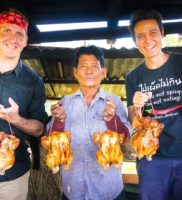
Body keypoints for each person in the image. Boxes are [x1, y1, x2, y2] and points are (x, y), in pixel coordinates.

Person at [50, 45, 132, 200]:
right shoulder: (64, 103)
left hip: (109, 190)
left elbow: (125, 137)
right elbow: (51, 140)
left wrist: (111, 119)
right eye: (83, 66)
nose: (89, 71)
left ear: (103, 72)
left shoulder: (114, 101)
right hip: (73, 189)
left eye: (94, 66)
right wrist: (60, 121)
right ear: (75, 72)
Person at [126, 8, 182, 200]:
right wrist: (136, 107)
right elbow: (133, 120)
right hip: (152, 159)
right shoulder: (133, 77)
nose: (148, 40)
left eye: (153, 33)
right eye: (140, 36)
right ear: (135, 43)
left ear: (162, 33)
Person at [0, 8, 48, 200]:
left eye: (19, 33)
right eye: (6, 30)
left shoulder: (33, 81)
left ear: (25, 41)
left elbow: (39, 129)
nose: (13, 37)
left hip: (13, 177)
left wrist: (17, 119)